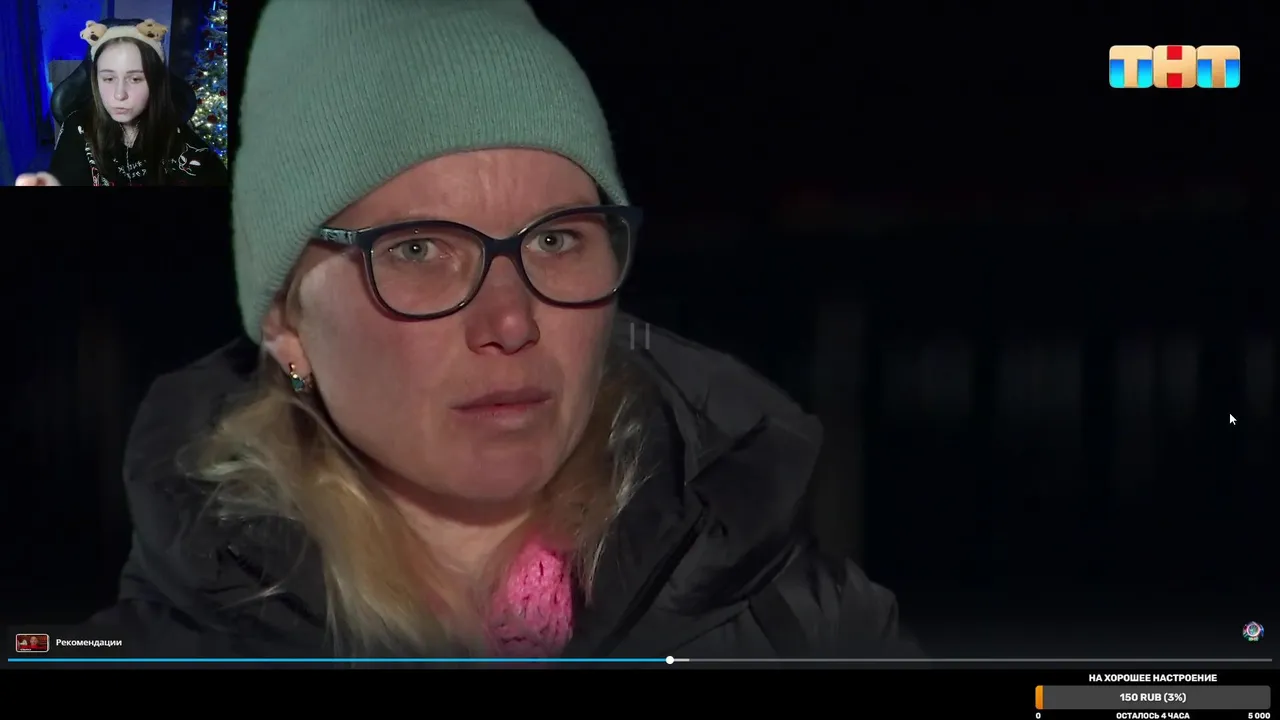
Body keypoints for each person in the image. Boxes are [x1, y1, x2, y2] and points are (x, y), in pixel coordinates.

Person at [84, 0, 918, 661]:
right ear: (286, 322)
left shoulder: (800, 628)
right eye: (418, 249)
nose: (512, 320)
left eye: (555, 241)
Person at [15, 18, 227, 187]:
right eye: (108, 78)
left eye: (135, 79)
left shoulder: (177, 134)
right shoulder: (78, 128)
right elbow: (65, 174)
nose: (119, 95)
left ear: (154, 82)